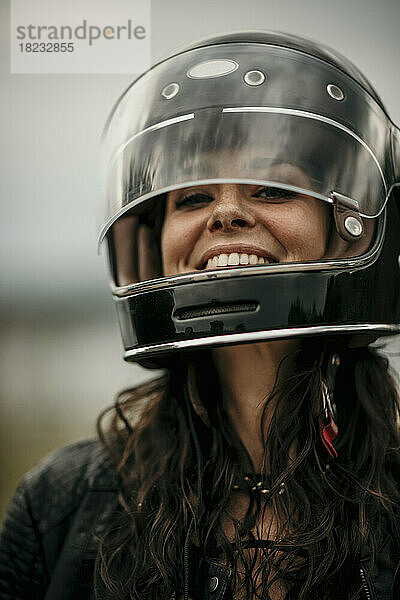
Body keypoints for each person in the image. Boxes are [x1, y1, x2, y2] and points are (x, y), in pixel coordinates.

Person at [1, 30, 400, 600]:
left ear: (344, 229)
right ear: (151, 242)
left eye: (271, 187)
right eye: (191, 197)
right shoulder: (58, 508)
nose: (227, 213)